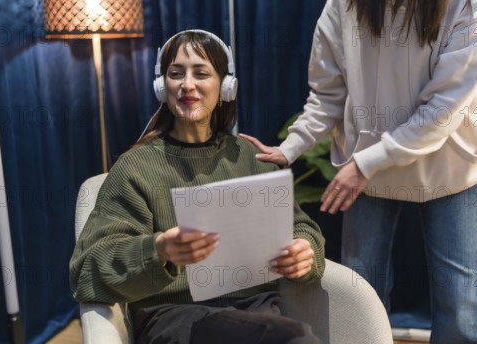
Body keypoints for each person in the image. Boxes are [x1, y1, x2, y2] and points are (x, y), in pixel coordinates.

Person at [240, 0, 477, 343]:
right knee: (360, 289)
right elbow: (327, 94)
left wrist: (364, 163)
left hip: (448, 164)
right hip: (365, 169)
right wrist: (291, 147)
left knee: (459, 297)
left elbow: (443, 109)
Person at [69, 30, 325, 344]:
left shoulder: (248, 157)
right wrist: (158, 248)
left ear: (225, 87)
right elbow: (89, 271)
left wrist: (304, 250)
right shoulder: (135, 168)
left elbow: (300, 226)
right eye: (176, 74)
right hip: (176, 318)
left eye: (201, 73)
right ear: (163, 87)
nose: (187, 84)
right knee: (295, 339)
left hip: (256, 311)